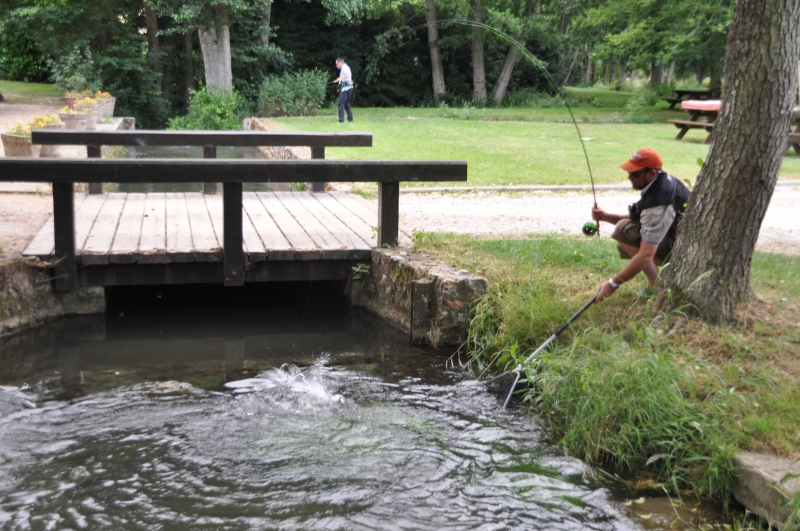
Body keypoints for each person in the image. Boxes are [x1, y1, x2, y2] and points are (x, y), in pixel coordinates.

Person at [591, 148, 690, 302]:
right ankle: (657, 282)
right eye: (629, 172)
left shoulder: (659, 203)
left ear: (651, 174)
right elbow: (642, 217)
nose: (630, 177)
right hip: (675, 236)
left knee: (624, 231)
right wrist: (606, 217)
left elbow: (646, 255)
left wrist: (613, 284)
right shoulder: (660, 181)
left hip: (682, 250)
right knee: (624, 237)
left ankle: (656, 285)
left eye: (635, 174)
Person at [333, 57, 354, 123]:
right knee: (347, 104)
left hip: (346, 89)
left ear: (340, 63)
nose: (336, 66)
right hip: (348, 88)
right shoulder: (344, 67)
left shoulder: (344, 67)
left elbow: (347, 75)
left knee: (341, 104)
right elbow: (345, 80)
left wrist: (340, 78)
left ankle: (341, 120)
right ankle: (350, 119)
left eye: (337, 64)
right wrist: (339, 83)